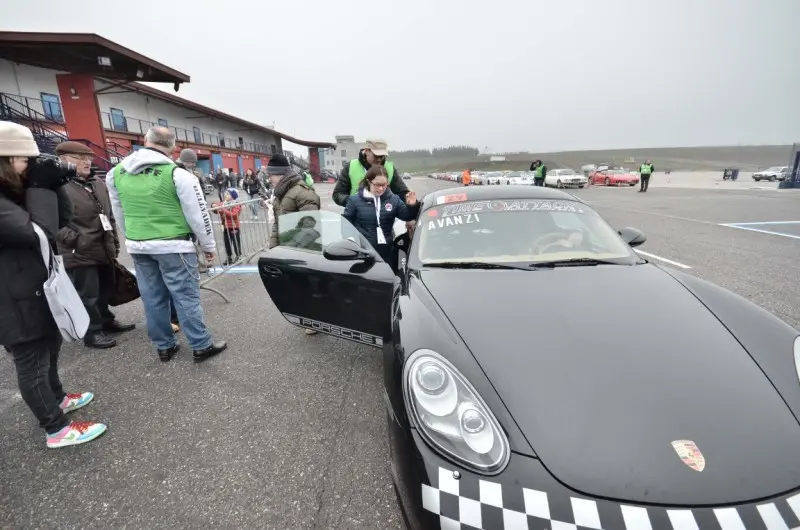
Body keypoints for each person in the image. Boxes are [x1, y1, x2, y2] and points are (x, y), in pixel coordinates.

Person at [0, 122, 107, 448]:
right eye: (24, 161)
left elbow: (60, 221)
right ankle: (56, 429)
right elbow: (37, 232)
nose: (29, 167)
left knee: (49, 348)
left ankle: (56, 398)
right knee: (31, 362)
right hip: (12, 299)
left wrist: (56, 185)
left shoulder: (15, 192)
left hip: (34, 288)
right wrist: (40, 187)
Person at [106, 126, 227, 363]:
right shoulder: (178, 174)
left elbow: (118, 211)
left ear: (145, 141)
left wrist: (131, 236)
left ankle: (164, 346)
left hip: (139, 244)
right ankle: (201, 345)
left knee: (152, 297)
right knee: (186, 297)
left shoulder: (116, 173)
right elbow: (198, 214)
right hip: (174, 245)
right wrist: (209, 245)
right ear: (173, 147)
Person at [55, 141, 136, 349]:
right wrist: (76, 240)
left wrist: (114, 241)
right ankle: (92, 332)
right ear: (64, 160)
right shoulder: (57, 185)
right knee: (87, 294)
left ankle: (106, 321)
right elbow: (52, 222)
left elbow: (108, 215)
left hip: (102, 247)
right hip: (78, 252)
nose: (87, 162)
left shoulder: (97, 183)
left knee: (105, 288)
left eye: (89, 158)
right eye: (80, 158)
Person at [266, 153, 321, 335]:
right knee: (296, 287)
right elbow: (277, 224)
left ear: (280, 174)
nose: (269, 179)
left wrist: (292, 247)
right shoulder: (281, 194)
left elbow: (311, 225)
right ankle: (306, 316)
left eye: (271, 175)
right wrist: (274, 248)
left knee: (307, 286)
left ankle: (314, 320)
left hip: (304, 250)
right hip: (288, 249)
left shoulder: (302, 192)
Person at [342, 165, 419, 268]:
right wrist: (352, 242)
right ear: (369, 182)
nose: (381, 188)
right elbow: (346, 223)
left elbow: (406, 216)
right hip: (363, 252)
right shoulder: (354, 200)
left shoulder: (393, 199)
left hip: (386, 253)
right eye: (377, 185)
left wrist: (412, 205)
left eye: (384, 185)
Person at [332, 139, 409, 207]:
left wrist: (410, 204)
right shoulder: (351, 166)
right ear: (366, 151)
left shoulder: (390, 168)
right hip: (355, 220)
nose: (379, 159)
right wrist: (354, 202)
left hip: (384, 218)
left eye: (382, 156)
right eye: (376, 156)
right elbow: (338, 194)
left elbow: (402, 193)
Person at [212, 188, 243, 265]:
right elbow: (216, 209)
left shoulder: (236, 204)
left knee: (236, 243)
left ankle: (238, 255)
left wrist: (223, 209)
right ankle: (229, 257)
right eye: (225, 193)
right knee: (227, 243)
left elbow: (234, 215)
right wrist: (213, 206)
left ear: (233, 196)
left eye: (228, 194)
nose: (225, 195)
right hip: (225, 227)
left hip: (234, 227)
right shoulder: (223, 203)